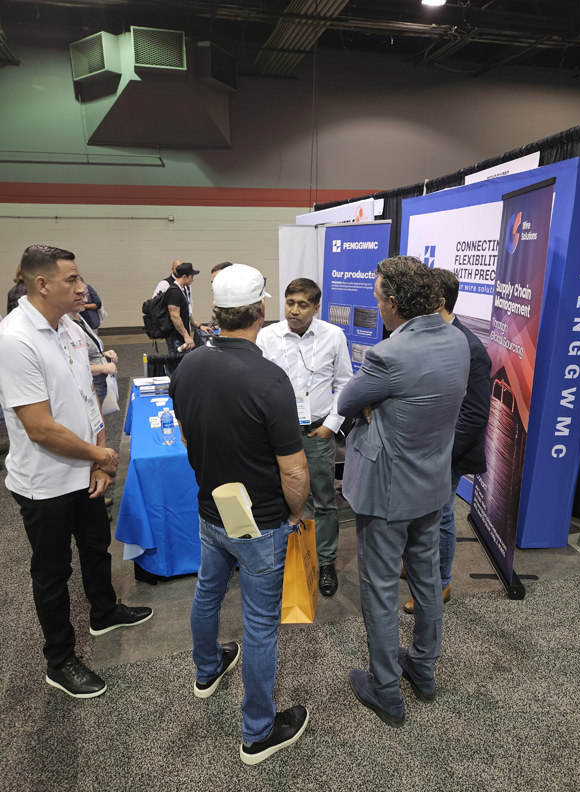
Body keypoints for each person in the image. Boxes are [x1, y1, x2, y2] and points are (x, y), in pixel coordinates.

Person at [169, 263, 310, 765]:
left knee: (208, 591)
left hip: (211, 511)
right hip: (263, 523)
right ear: (261, 310)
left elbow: (187, 436)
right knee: (260, 624)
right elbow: (294, 470)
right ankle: (257, 732)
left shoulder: (188, 366)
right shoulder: (270, 379)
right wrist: (295, 514)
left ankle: (206, 670)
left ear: (216, 312)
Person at [0, 245, 153, 700]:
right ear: (41, 284)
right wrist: (99, 456)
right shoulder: (15, 339)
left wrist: (100, 456)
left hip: (85, 468)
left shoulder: (68, 325)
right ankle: (59, 659)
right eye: (72, 279)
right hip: (44, 482)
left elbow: (89, 397)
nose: (82, 287)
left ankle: (104, 612)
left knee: (95, 547)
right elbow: (40, 427)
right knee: (52, 572)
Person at [337, 256, 470, 727]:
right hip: (432, 485)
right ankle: (423, 669)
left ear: (393, 302)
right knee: (427, 580)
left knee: (379, 590)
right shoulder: (457, 339)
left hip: (387, 493)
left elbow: (346, 400)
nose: (377, 306)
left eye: (378, 299)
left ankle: (386, 690)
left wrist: (374, 401)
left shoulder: (388, 355)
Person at [257, 278, 353, 597]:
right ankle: (282, 559)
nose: (294, 311)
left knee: (323, 499)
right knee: (278, 495)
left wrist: (332, 424)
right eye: (289, 303)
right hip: (276, 433)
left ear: (316, 307)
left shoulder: (333, 336)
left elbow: (345, 383)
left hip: (316, 431)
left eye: (302, 305)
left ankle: (325, 562)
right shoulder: (267, 336)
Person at [403, 268, 491, 614]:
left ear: (438, 301)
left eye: (420, 295)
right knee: (416, 514)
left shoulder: (471, 348)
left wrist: (440, 456)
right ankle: (414, 564)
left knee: (439, 518)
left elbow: (474, 416)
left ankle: (439, 584)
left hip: (446, 455)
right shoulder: (419, 336)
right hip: (420, 449)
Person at [164, 261, 201, 354]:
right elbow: (175, 316)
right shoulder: (174, 292)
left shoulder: (183, 289)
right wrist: (186, 336)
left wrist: (199, 326)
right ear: (184, 277)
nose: (193, 280)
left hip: (181, 336)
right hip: (176, 337)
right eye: (191, 277)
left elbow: (186, 312)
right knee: (177, 361)